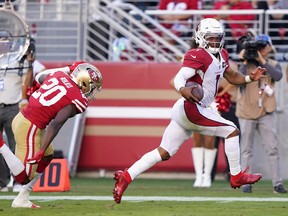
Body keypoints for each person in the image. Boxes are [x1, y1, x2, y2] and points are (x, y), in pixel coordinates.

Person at [112, 18, 265, 204]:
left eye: (218, 38)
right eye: (211, 38)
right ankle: (236, 176)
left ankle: (125, 178)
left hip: (185, 110)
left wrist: (250, 78)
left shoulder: (222, 54)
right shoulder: (197, 54)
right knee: (231, 130)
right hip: (191, 107)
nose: (215, 41)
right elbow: (180, 77)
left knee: (164, 151)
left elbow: (232, 76)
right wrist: (183, 89)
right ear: (201, 37)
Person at [0, 61, 102, 208]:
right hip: (30, 127)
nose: (92, 92)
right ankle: (1, 145)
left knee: (48, 156)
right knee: (23, 177)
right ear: (84, 83)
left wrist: (67, 68)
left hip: (25, 118)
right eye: (92, 87)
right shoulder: (77, 99)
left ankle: (22, 198)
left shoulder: (59, 74)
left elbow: (39, 77)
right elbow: (56, 124)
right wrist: (40, 151)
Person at [236, 34, 287, 194]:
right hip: (246, 111)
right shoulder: (245, 66)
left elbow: (277, 76)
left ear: (270, 47)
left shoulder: (272, 64)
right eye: (260, 46)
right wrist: (245, 59)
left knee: (272, 148)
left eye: (264, 45)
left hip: (266, 111)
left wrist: (262, 60)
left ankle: (277, 183)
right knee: (245, 149)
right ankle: (246, 182)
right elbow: (239, 79)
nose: (262, 49)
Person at [0, 32, 34, 193]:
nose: (4, 44)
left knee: (16, 145)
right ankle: (1, 182)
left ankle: (17, 180)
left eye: (7, 41)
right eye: (2, 41)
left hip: (12, 106)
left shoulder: (18, 60)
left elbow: (27, 82)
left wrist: (30, 64)